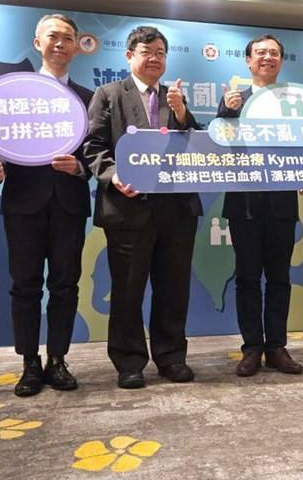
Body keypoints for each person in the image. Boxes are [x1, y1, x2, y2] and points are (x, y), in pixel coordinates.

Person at [84, 25, 202, 389]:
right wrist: (113, 175)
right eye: (146, 52)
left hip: (176, 210)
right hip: (128, 208)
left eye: (160, 53)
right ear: (129, 56)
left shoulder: (175, 98)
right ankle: (129, 361)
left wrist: (181, 114)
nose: (154, 59)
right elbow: (92, 146)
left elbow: (194, 145)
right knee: (127, 290)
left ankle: (171, 357)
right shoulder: (108, 94)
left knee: (174, 288)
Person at [0, 14, 94, 397]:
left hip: (69, 203)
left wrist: (80, 167)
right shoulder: (14, 94)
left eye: (68, 38)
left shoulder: (88, 98)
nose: (60, 43)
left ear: (77, 46)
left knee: (65, 284)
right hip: (22, 202)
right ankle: (29, 362)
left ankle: (58, 360)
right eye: (53, 36)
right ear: (37, 43)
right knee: (25, 285)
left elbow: (97, 152)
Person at [218, 34, 303, 377]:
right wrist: (227, 110)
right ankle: (252, 348)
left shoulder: (293, 102)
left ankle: (277, 347)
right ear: (248, 60)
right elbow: (220, 143)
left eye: (273, 53)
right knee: (247, 278)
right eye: (260, 53)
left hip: (282, 202)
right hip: (244, 203)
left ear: (281, 61)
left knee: (279, 278)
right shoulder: (234, 99)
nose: (267, 57)